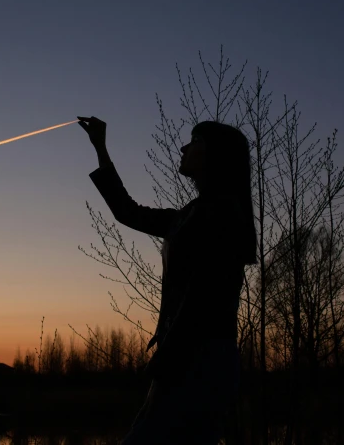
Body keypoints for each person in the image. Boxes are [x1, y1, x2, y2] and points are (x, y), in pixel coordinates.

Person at [77, 115, 256, 444]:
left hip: (198, 359)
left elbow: (205, 297)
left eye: (195, 141)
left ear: (216, 155)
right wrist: (101, 147)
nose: (184, 147)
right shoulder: (190, 215)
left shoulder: (224, 215)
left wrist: (169, 354)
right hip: (192, 358)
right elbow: (127, 211)